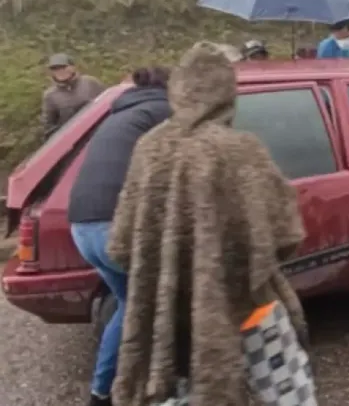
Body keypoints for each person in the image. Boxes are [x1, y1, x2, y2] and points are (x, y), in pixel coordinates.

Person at [107, 42, 309, 405]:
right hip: (247, 311)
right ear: (228, 93)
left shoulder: (149, 147)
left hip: (170, 320)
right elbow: (286, 234)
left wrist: (170, 273)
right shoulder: (240, 149)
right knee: (288, 392)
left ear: (178, 89)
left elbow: (121, 246)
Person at [67, 67, 172, 406]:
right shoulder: (163, 111)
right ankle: (165, 392)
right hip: (113, 227)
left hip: (81, 228)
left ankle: (101, 394)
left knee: (130, 305)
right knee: (171, 301)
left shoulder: (120, 114)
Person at [41, 53, 105, 138]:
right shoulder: (50, 96)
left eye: (63, 67)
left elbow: (108, 102)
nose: (60, 71)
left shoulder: (90, 82)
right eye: (55, 69)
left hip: (101, 131)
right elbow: (49, 127)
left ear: (73, 67)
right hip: (76, 139)